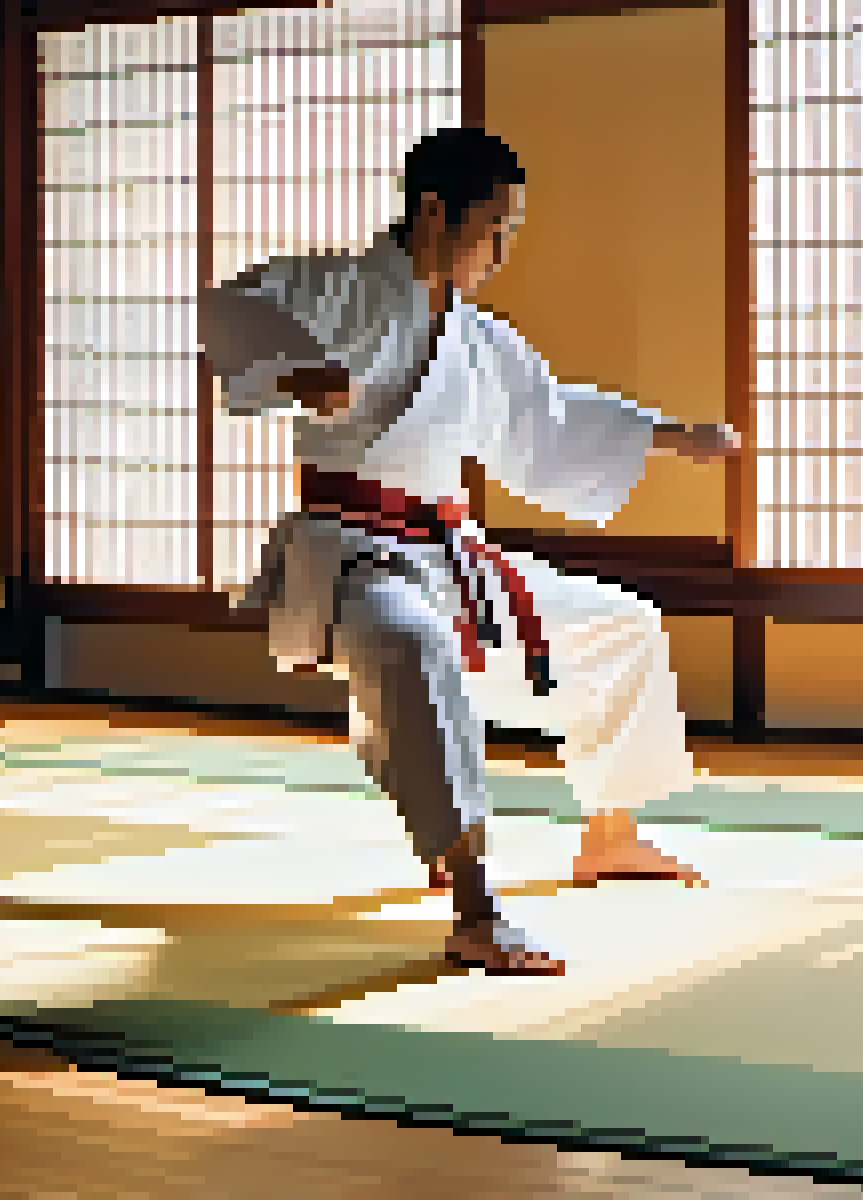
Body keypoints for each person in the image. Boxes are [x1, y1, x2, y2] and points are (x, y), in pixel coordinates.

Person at [196, 127, 742, 976]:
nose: (503, 249)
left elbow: (554, 417)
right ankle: (476, 905)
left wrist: (673, 436)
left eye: (511, 231)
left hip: (449, 554)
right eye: (495, 228)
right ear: (435, 211)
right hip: (354, 555)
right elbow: (231, 307)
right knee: (413, 650)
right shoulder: (333, 288)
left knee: (621, 625)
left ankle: (611, 835)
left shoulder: (481, 340)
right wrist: (297, 371)